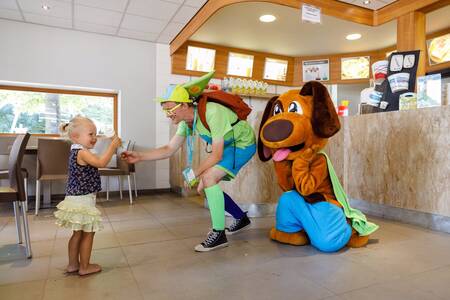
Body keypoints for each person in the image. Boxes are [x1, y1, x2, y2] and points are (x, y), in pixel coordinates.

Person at [123, 85, 256, 252]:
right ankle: (241, 218)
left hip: (243, 144)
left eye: (171, 109)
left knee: (207, 180)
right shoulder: (186, 123)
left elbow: (216, 155)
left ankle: (219, 234)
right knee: (206, 185)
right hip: (230, 145)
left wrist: (195, 174)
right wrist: (140, 156)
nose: (168, 114)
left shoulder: (212, 112)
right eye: (165, 110)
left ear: (185, 105)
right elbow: (168, 149)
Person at [55, 116, 121, 275]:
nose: (94, 138)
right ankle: (84, 267)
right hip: (83, 199)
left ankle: (73, 265)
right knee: (88, 233)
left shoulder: (75, 150)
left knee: (77, 233)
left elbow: (96, 161)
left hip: (74, 197)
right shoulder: (83, 152)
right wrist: (112, 146)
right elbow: (101, 163)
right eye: (91, 134)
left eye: (95, 134)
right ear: (75, 137)